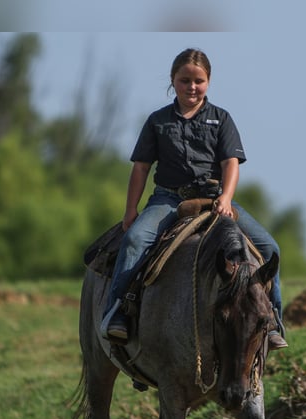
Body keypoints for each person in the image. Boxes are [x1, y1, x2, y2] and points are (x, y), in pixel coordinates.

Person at [101, 48, 287, 350]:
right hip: (168, 201)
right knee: (134, 241)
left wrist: (226, 198)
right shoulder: (157, 121)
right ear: (173, 81)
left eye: (198, 81)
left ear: (208, 82)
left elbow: (231, 164)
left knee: (269, 247)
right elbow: (141, 168)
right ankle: (119, 311)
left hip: (216, 200)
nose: (192, 87)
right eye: (184, 80)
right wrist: (130, 210)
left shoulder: (222, 119)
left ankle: (274, 319)